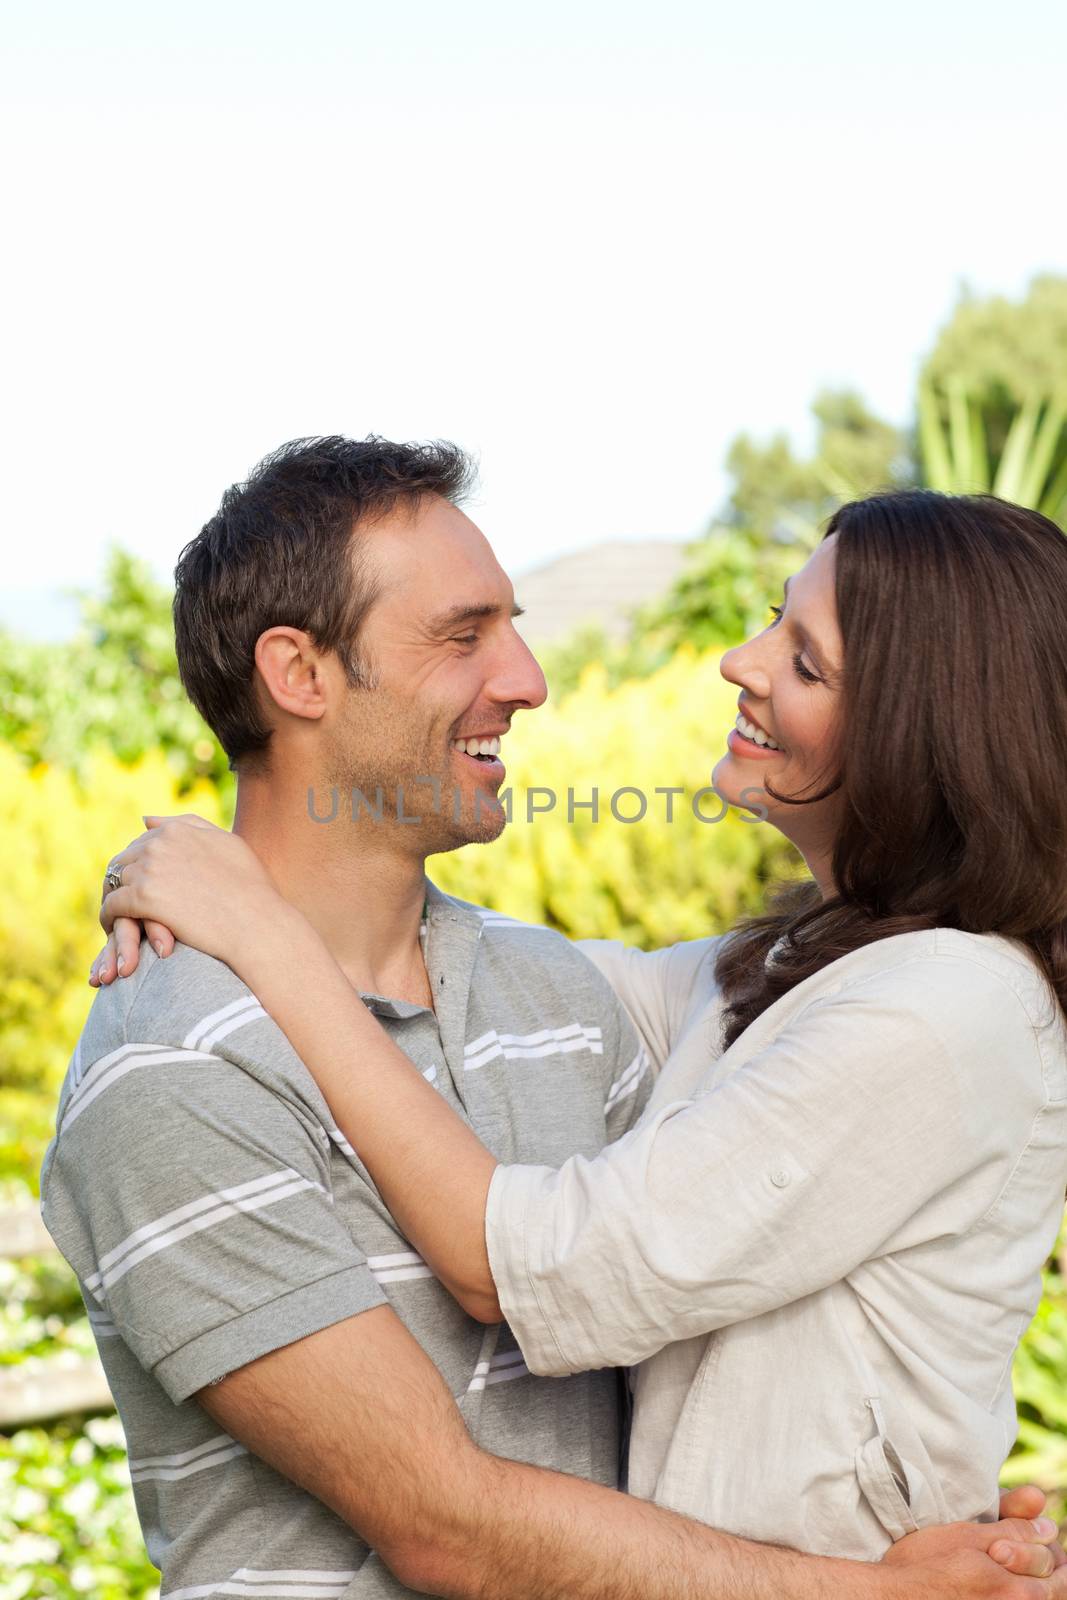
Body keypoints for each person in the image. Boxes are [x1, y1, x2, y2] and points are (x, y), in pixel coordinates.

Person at [49, 443, 1064, 1600]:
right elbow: (448, 1524)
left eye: (805, 659)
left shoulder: (568, 1009)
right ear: (299, 672)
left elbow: (584, 1272)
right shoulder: (173, 1054)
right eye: (463, 633)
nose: (529, 680)